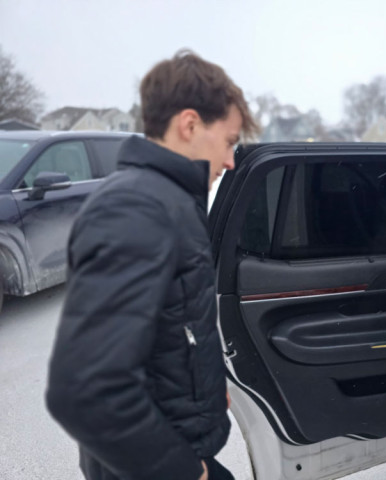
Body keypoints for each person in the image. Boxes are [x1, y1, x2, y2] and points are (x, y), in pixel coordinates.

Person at [46, 50, 258, 480]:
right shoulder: (135, 209)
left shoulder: (167, 202)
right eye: (229, 141)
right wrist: (184, 471)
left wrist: (206, 382)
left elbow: (170, 323)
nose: (231, 161)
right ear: (189, 124)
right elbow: (85, 392)